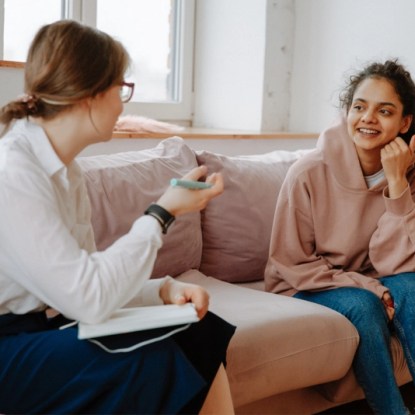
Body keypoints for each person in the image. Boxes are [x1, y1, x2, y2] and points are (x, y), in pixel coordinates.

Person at [0, 20, 236, 414]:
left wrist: (160, 291)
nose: (124, 103)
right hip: (8, 345)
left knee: (197, 328)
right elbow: (88, 300)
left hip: (41, 328)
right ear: (90, 94)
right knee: (146, 360)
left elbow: (87, 280)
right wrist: (162, 212)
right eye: (121, 89)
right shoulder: (14, 174)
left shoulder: (67, 169)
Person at [265, 59, 415, 415]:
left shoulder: (406, 176)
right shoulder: (308, 173)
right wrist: (373, 288)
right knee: (363, 306)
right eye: (359, 107)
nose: (367, 118)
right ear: (346, 112)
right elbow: (291, 262)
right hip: (304, 284)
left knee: (411, 286)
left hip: (368, 278)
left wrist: (397, 184)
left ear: (405, 123)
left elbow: (400, 263)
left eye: (385, 110)